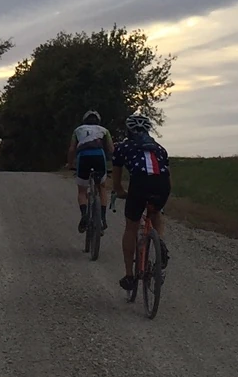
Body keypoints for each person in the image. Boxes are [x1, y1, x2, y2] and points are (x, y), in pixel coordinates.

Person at [110, 112, 170, 295]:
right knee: (156, 214)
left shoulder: (122, 147)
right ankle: (159, 245)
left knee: (131, 226)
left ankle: (129, 276)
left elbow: (117, 178)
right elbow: (168, 175)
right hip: (162, 185)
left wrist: (120, 191)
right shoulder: (160, 148)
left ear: (128, 130)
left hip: (140, 183)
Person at [66, 110, 114, 232]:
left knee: (82, 191)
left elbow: (72, 149)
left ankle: (84, 215)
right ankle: (102, 218)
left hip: (83, 157)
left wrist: (70, 164)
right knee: (102, 187)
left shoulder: (78, 130)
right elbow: (111, 148)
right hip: (99, 156)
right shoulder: (104, 130)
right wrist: (114, 165)